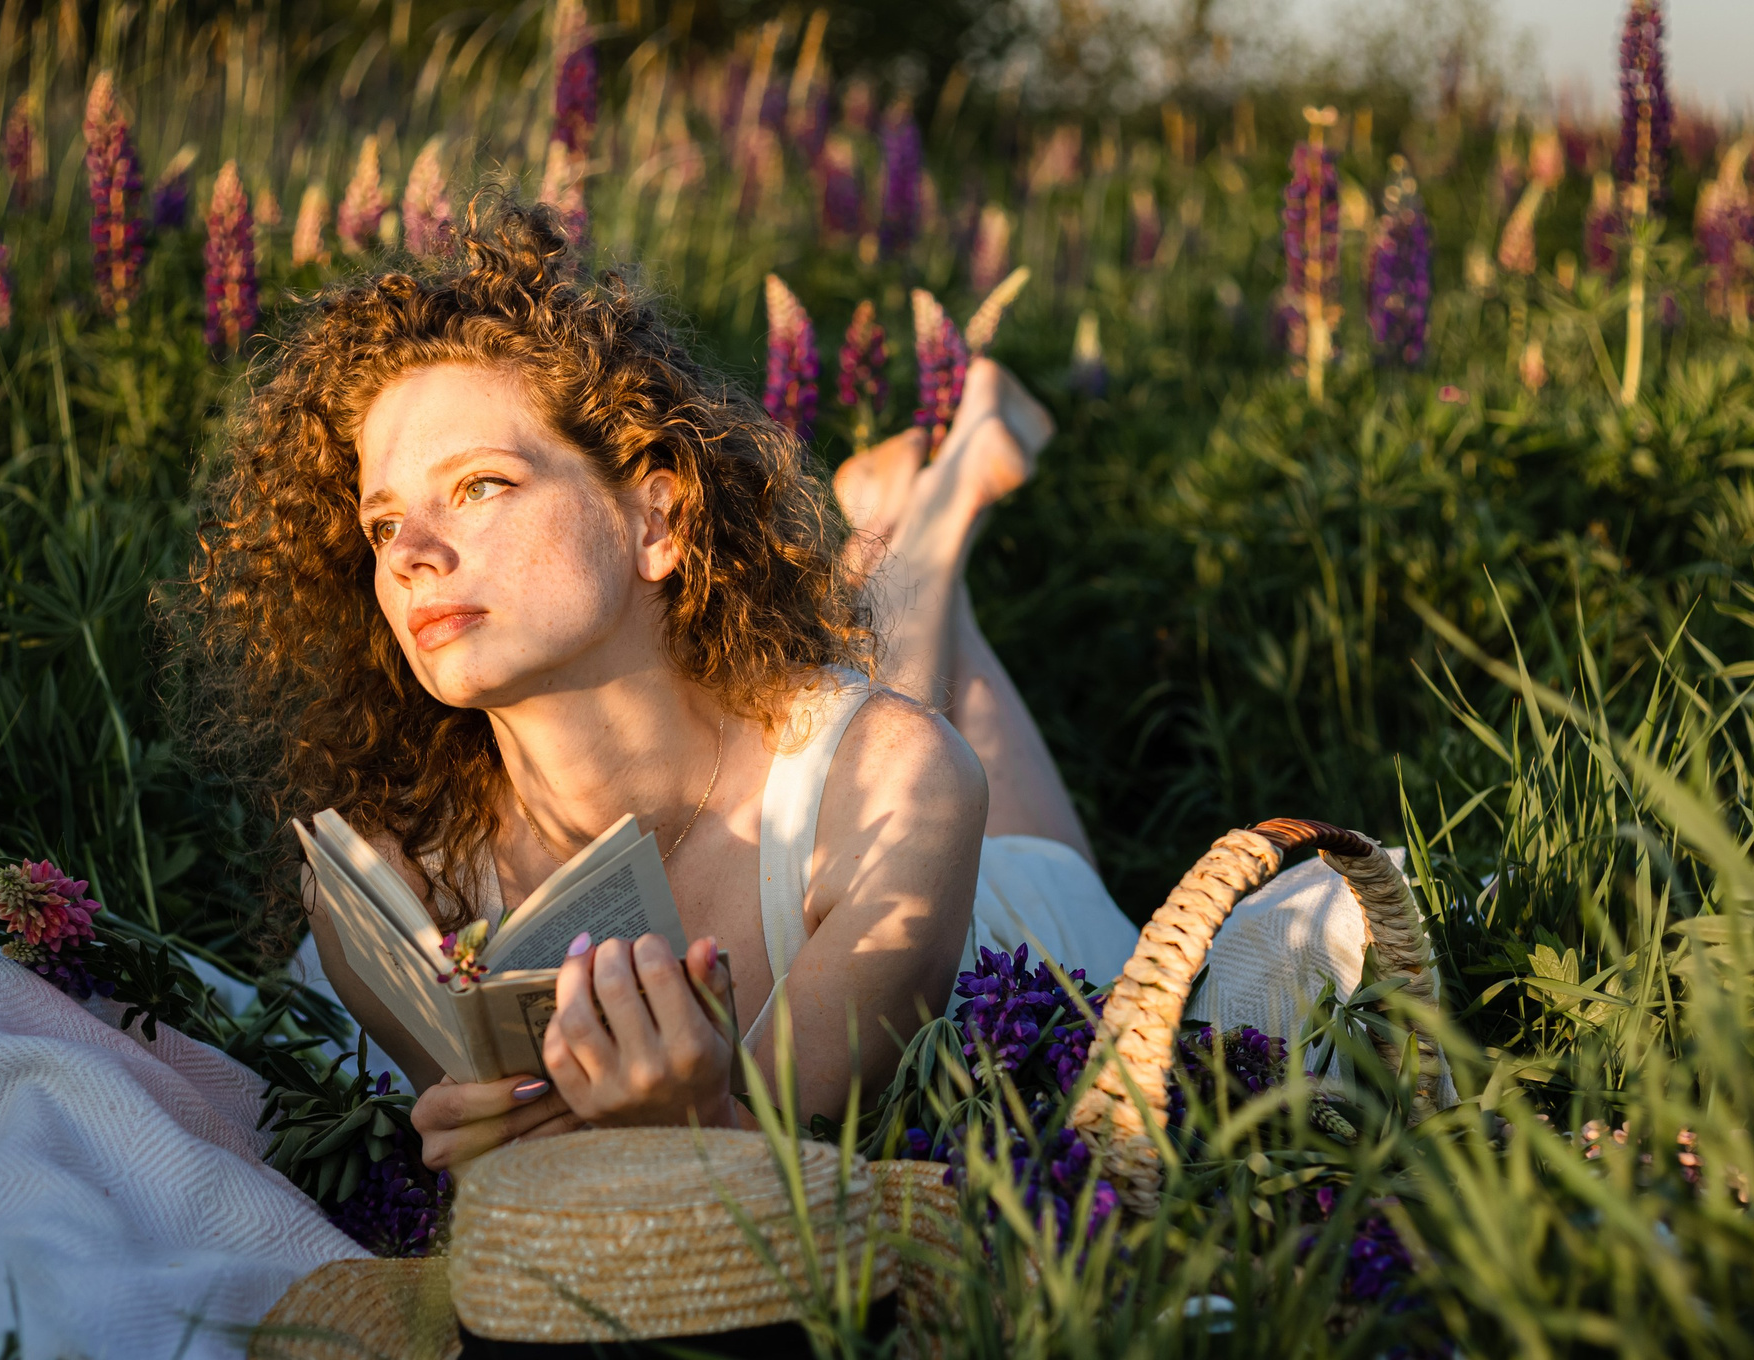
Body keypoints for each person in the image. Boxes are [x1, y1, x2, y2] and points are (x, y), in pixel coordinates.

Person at [178, 198, 1137, 1175]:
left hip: (1012, 936)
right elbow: (551, 1210)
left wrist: (695, 1125)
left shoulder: (907, 787)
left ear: (655, 523)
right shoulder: (402, 873)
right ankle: (921, 520)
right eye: (383, 525)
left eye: (479, 486)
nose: (415, 554)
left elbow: (789, 1200)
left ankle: (930, 531)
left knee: (925, 766)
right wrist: (459, 1126)